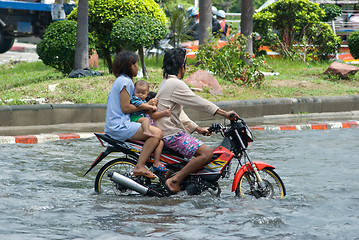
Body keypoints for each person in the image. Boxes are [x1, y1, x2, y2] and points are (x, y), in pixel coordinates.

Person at [155, 47, 239, 193]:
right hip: (172, 134)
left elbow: (178, 113)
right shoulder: (176, 84)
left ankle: (171, 180)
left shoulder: (166, 82)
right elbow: (198, 102)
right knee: (206, 154)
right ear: (182, 66)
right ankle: (175, 180)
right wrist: (225, 114)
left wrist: (197, 129)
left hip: (167, 131)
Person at [104, 51, 162, 179]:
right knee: (157, 134)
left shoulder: (121, 80)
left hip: (118, 123)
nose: (137, 68)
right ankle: (140, 166)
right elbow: (125, 107)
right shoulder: (126, 81)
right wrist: (146, 106)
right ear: (130, 66)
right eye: (136, 65)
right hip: (119, 125)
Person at [130, 79, 171, 172]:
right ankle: (146, 131)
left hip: (140, 119)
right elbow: (141, 106)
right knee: (146, 120)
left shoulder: (144, 102)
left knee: (160, 142)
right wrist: (150, 106)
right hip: (135, 118)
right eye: (138, 92)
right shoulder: (136, 99)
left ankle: (156, 162)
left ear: (147, 93)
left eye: (143, 93)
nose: (140, 94)